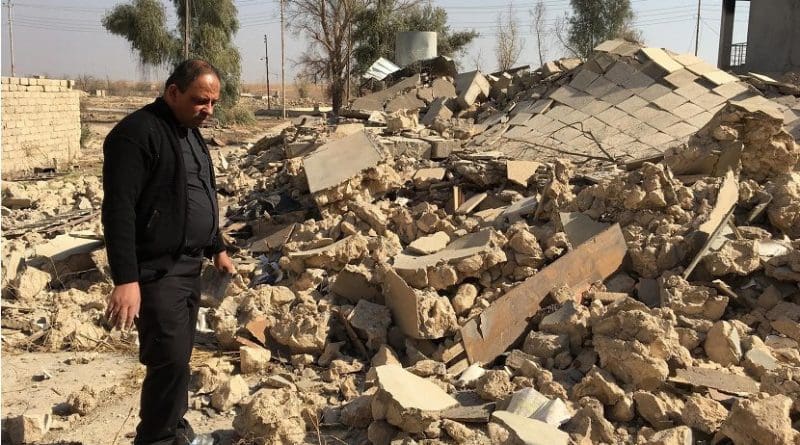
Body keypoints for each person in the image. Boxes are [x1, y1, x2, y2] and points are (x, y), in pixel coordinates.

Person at [102, 59, 235, 445]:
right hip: (156, 272)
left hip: (190, 267)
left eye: (213, 102)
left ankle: (175, 429)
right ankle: (156, 438)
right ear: (172, 91)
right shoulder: (136, 135)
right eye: (200, 100)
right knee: (169, 361)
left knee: (179, 358)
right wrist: (126, 279)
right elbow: (118, 211)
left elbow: (198, 193)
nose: (208, 110)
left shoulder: (190, 132)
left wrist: (217, 248)